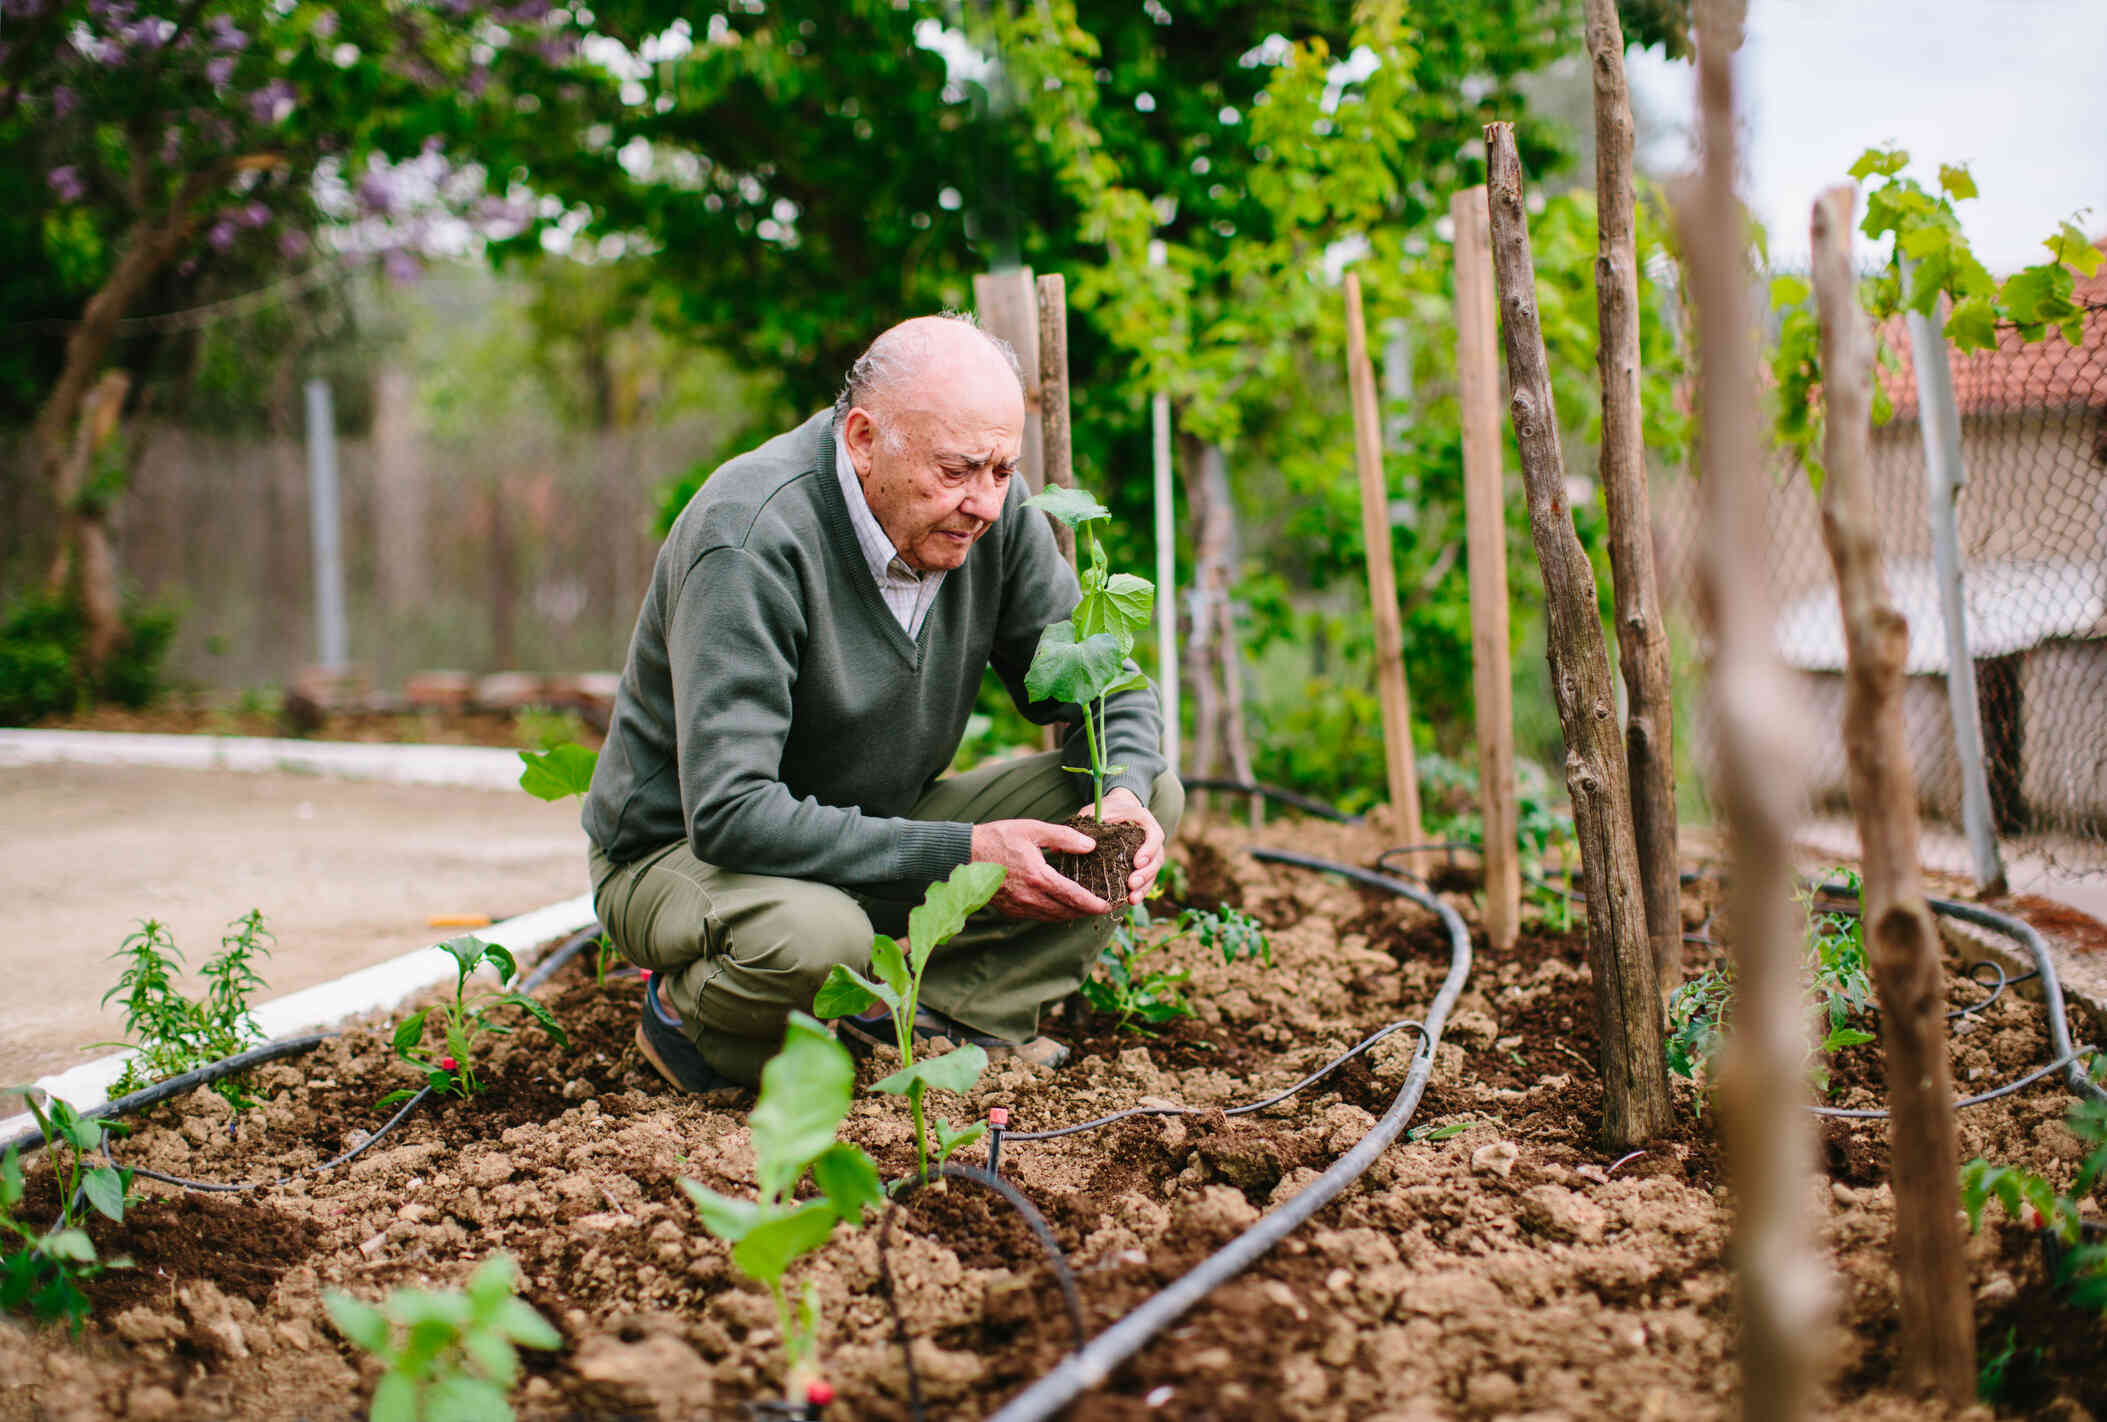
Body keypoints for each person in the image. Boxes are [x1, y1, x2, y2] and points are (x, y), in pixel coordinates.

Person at [582, 313, 1183, 1091]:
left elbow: (1107, 693)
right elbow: (730, 813)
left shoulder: (984, 519)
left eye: (1001, 471)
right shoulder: (752, 538)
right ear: (863, 439)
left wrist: (1123, 792)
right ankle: (692, 1023)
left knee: (1134, 793)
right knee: (813, 934)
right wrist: (969, 853)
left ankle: (941, 1014)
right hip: (687, 855)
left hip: (872, 825)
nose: (987, 504)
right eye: (957, 470)